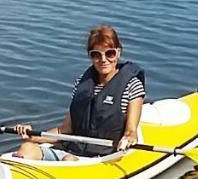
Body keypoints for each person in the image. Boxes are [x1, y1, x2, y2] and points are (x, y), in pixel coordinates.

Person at [11, 24, 146, 161]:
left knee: (68, 160)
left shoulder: (132, 86)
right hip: (71, 150)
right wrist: (33, 136)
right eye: (96, 55)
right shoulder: (82, 84)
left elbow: (131, 133)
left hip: (100, 158)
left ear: (118, 53)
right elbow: (64, 130)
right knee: (27, 147)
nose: (103, 59)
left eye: (109, 53)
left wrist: (128, 139)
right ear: (90, 57)